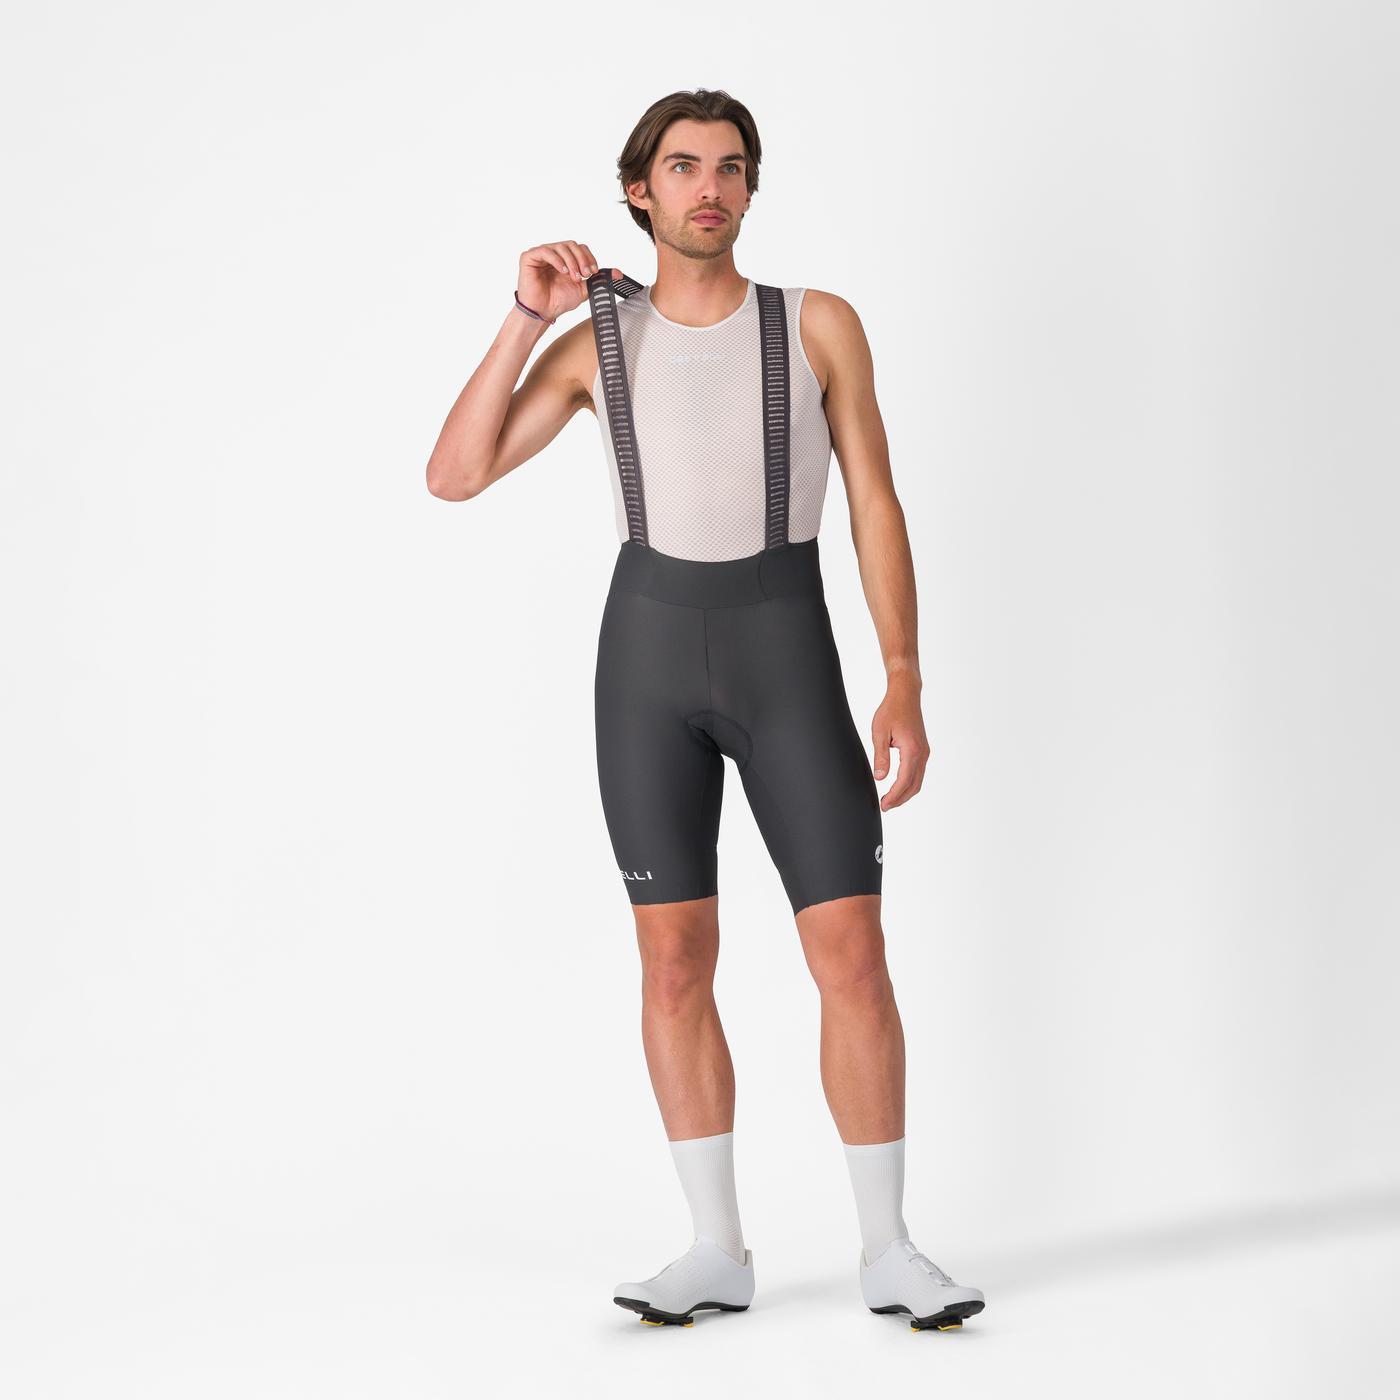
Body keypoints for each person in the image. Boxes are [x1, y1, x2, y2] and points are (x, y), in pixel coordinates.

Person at [425, 88, 985, 1334]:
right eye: (681, 167)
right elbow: (453, 475)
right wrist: (526, 313)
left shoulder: (816, 323)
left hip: (786, 653)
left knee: (850, 951)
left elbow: (875, 500)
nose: (708, 188)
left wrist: (900, 673)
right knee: (672, 959)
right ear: (638, 191)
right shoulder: (595, 342)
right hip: (646, 664)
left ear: (748, 187)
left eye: (730, 167)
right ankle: (713, 1247)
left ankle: (889, 1247)